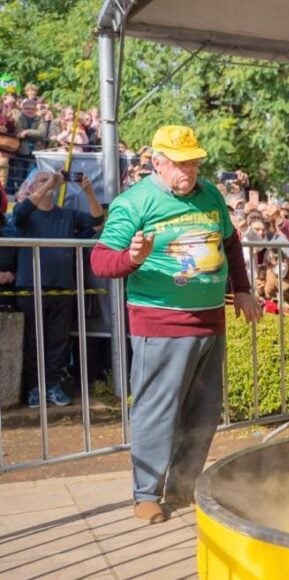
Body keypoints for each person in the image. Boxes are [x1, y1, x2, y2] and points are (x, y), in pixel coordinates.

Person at [90, 125, 260, 524]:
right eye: (181, 164)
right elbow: (100, 261)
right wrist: (133, 258)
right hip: (161, 323)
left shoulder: (210, 194)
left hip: (210, 321)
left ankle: (184, 487)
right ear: (157, 162)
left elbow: (230, 241)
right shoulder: (135, 202)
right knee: (157, 411)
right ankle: (146, 494)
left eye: (195, 163)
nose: (190, 171)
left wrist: (243, 289)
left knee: (203, 411)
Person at [11, 171, 103, 407]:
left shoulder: (68, 215)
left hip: (63, 286)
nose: (49, 183)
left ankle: (52, 385)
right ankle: (34, 387)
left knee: (58, 339)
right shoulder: (26, 215)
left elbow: (96, 221)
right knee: (34, 339)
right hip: (30, 285)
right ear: (31, 188)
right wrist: (49, 183)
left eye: (50, 180)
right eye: (42, 180)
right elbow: (19, 213)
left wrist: (89, 192)